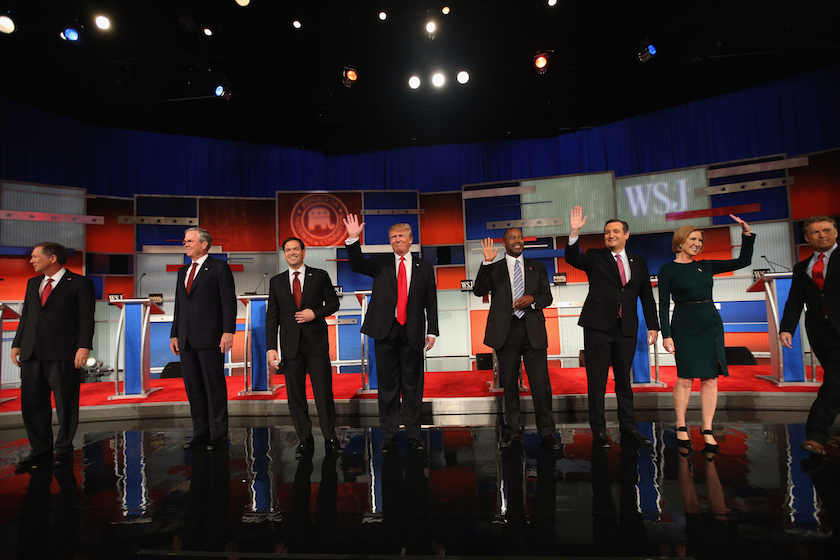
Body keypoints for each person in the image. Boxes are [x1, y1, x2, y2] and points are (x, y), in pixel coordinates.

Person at [343, 214, 439, 454]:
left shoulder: (424, 268)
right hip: (385, 330)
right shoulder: (380, 263)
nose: (397, 240)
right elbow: (357, 264)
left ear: (410, 239)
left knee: (413, 385)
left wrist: (433, 331)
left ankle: (415, 434)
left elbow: (431, 302)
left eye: (401, 236)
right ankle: (389, 435)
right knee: (387, 386)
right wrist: (353, 238)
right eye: (393, 237)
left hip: (413, 331)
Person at [565, 206, 659, 450]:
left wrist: (653, 326)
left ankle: (629, 429)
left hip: (626, 327)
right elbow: (572, 258)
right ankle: (598, 432)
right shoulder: (595, 257)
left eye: (616, 231)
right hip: (597, 327)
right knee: (596, 381)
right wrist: (574, 233)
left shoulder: (639, 262)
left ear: (627, 235)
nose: (610, 235)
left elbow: (646, 296)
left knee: (624, 383)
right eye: (607, 232)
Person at [659, 215, 754, 454]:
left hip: (709, 324)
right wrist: (666, 335)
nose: (697, 243)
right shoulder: (667, 270)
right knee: (686, 377)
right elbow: (662, 306)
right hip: (683, 323)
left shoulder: (707, 265)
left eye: (700, 240)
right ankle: (681, 424)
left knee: (711, 378)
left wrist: (747, 235)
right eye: (693, 239)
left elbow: (744, 260)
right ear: (680, 242)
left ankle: (707, 428)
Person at [11, 242, 95, 470]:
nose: (31, 261)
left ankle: (64, 450)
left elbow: (86, 319)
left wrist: (83, 347)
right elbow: (27, 317)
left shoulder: (80, 283)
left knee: (65, 403)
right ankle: (40, 450)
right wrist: (17, 344)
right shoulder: (33, 283)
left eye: (35, 256)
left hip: (63, 352)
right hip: (32, 352)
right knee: (33, 404)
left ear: (53, 258)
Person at [472, 228, 559, 450]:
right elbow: (478, 290)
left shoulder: (537, 267)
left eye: (520, 237)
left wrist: (532, 299)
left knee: (541, 385)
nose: (518, 240)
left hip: (533, 332)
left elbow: (546, 297)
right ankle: (512, 432)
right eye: (513, 238)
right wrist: (486, 263)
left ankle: (547, 431)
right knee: (509, 386)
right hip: (506, 333)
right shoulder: (495, 268)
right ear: (505, 243)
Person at [266, 236, 343, 459]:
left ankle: (330, 438)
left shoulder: (319, 276)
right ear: (284, 254)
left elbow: (333, 303)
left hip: (316, 345)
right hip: (290, 348)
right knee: (295, 396)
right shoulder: (277, 282)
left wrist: (315, 313)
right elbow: (272, 317)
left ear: (303, 252)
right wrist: (271, 347)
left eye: (296, 249)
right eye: (288, 250)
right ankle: (304, 440)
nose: (292, 253)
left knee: (323, 393)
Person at [170, 227, 237, 452]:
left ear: (204, 244)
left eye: (190, 241)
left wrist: (228, 331)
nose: (186, 244)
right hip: (187, 339)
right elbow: (179, 306)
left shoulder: (219, 268)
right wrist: (174, 333)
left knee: (213, 386)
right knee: (194, 388)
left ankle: (218, 433)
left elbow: (228, 302)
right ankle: (200, 433)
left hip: (210, 338)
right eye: (185, 241)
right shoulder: (183, 272)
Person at [780, 215, 839, 456]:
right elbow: (795, 300)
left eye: (826, 230)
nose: (821, 235)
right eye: (815, 232)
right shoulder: (801, 267)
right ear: (806, 238)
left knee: (835, 381)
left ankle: (816, 436)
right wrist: (786, 328)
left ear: (836, 232)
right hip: (820, 332)